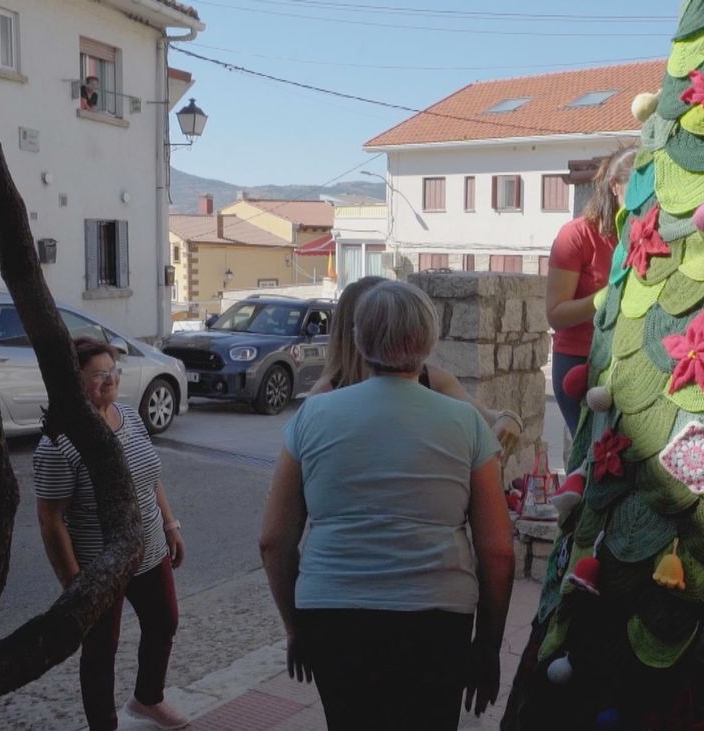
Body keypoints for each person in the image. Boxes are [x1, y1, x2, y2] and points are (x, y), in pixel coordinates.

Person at [260, 280, 516, 730]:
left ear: (359, 338)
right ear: (429, 339)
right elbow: (496, 551)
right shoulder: (465, 424)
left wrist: (296, 627)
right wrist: (488, 648)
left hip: (333, 616)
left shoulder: (313, 416)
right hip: (438, 619)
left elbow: (274, 541)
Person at [35, 337, 187, 731]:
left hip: (150, 548)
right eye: (98, 375)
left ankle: (148, 698)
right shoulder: (59, 441)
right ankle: (104, 725)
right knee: (101, 649)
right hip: (100, 565)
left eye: (112, 372)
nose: (109, 381)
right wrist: (75, 585)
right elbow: (50, 521)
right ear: (72, 381)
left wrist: (170, 524)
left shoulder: (127, 415)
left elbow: (150, 477)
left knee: (164, 622)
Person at [311, 275, 522, 455]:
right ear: (357, 331)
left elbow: (487, 417)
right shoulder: (324, 397)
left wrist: (509, 419)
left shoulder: (433, 379)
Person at [545, 146, 636, 434]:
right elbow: (555, 315)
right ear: (614, 186)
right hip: (577, 361)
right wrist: (604, 299)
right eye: (638, 187)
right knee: (589, 456)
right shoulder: (576, 236)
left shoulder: (646, 233)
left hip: (626, 361)